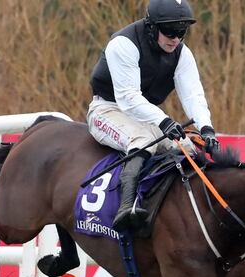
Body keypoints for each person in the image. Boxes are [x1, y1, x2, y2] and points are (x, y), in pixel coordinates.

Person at [87, 0, 220, 231]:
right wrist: (164, 121)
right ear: (151, 26)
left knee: (187, 148)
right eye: (169, 31)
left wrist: (206, 129)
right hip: (108, 109)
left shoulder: (182, 53)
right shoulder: (124, 44)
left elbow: (193, 95)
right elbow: (128, 97)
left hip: (146, 116)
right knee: (143, 140)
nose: (175, 39)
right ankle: (127, 207)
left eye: (181, 32)